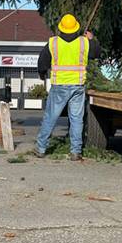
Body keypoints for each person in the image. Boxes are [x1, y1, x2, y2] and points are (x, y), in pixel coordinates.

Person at [33, 14, 101, 161]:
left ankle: (41, 148)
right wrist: (91, 39)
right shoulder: (83, 42)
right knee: (77, 119)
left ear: (61, 29)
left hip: (59, 86)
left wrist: (42, 74)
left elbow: (42, 62)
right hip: (77, 86)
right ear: (76, 27)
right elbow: (96, 53)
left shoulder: (53, 43)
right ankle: (75, 152)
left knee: (50, 117)